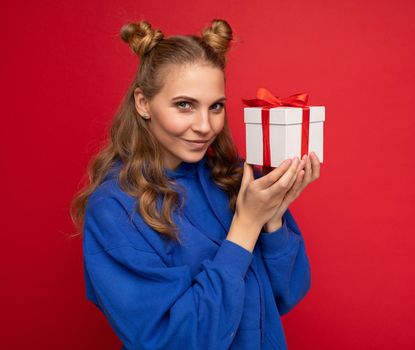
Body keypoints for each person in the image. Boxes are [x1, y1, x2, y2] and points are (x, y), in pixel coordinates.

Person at [70, 18, 321, 350]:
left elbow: (285, 295)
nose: (205, 126)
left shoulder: (233, 176)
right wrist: (245, 227)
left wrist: (273, 215)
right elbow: (175, 340)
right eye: (184, 105)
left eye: (215, 106)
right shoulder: (114, 209)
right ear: (143, 103)